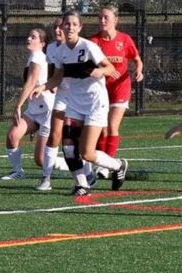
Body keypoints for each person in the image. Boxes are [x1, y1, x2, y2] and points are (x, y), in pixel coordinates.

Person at [32, 10, 128, 196]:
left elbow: (109, 67)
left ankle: (118, 165)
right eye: (67, 24)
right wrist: (42, 87)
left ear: (80, 27)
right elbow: (57, 78)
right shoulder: (60, 52)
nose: (70, 27)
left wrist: (101, 72)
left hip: (95, 103)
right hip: (74, 104)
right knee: (68, 147)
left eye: (74, 24)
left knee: (87, 153)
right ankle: (82, 184)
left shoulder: (89, 47)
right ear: (62, 27)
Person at [89, 5, 143, 177]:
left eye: (106, 17)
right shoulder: (93, 41)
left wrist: (139, 70)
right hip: (100, 90)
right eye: (100, 18)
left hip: (120, 87)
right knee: (101, 128)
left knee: (112, 126)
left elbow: (136, 59)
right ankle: (101, 162)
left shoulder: (124, 40)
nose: (102, 20)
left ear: (115, 20)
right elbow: (88, 65)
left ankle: (107, 166)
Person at [1, 27, 53, 181]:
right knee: (12, 135)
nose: (29, 39)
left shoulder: (38, 57)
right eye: (29, 36)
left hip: (47, 111)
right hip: (34, 109)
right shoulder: (33, 57)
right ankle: (17, 171)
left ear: (42, 43)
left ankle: (74, 164)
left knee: (41, 160)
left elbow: (30, 83)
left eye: (34, 37)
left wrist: (18, 105)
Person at [37, 18, 72, 191]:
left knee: (73, 140)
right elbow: (53, 74)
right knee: (54, 136)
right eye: (55, 27)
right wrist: (47, 86)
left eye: (61, 27)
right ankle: (46, 178)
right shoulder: (51, 48)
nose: (58, 30)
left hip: (80, 97)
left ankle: (85, 176)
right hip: (62, 96)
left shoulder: (81, 46)